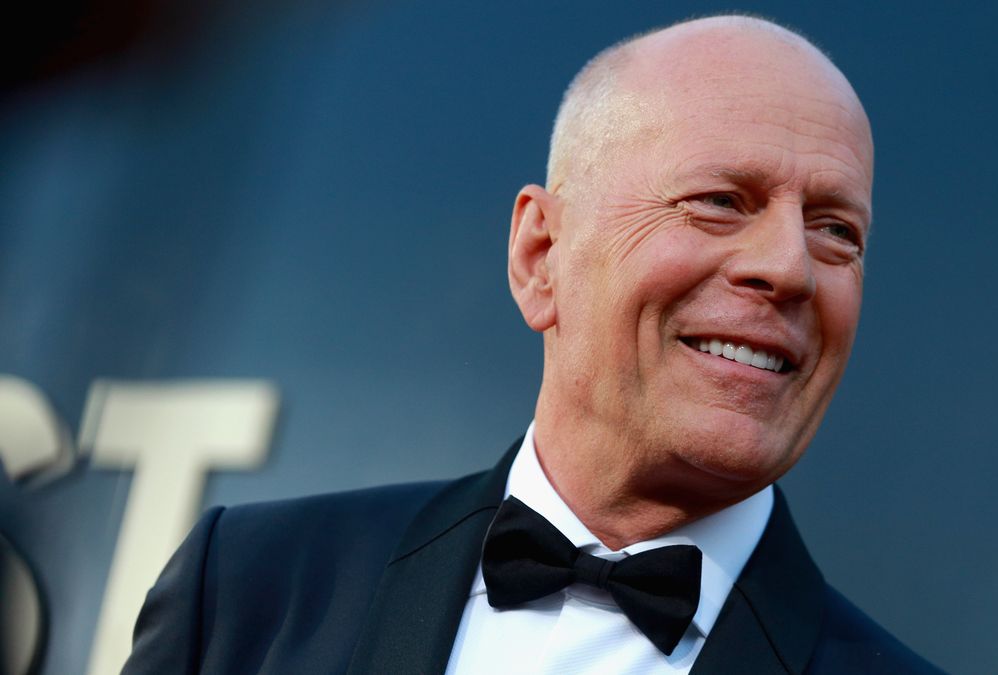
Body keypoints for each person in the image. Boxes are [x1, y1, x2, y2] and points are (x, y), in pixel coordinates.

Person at [123, 15, 945, 674]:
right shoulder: (245, 590)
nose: (789, 269)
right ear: (540, 256)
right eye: (720, 201)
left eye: (835, 230)